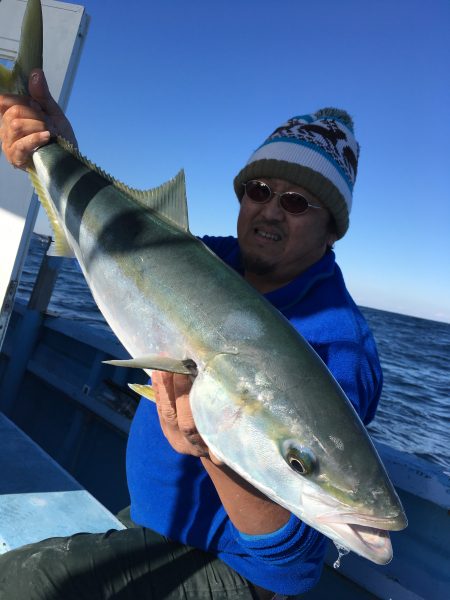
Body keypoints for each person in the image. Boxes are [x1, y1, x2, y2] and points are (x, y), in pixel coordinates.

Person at [0, 70, 382, 599]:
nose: (270, 209)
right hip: (157, 523)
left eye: (297, 202)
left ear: (332, 228)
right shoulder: (212, 258)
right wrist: (53, 146)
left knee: (25, 585)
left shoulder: (342, 345)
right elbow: (117, 236)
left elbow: (291, 566)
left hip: (232, 569)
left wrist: (207, 448)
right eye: (260, 190)